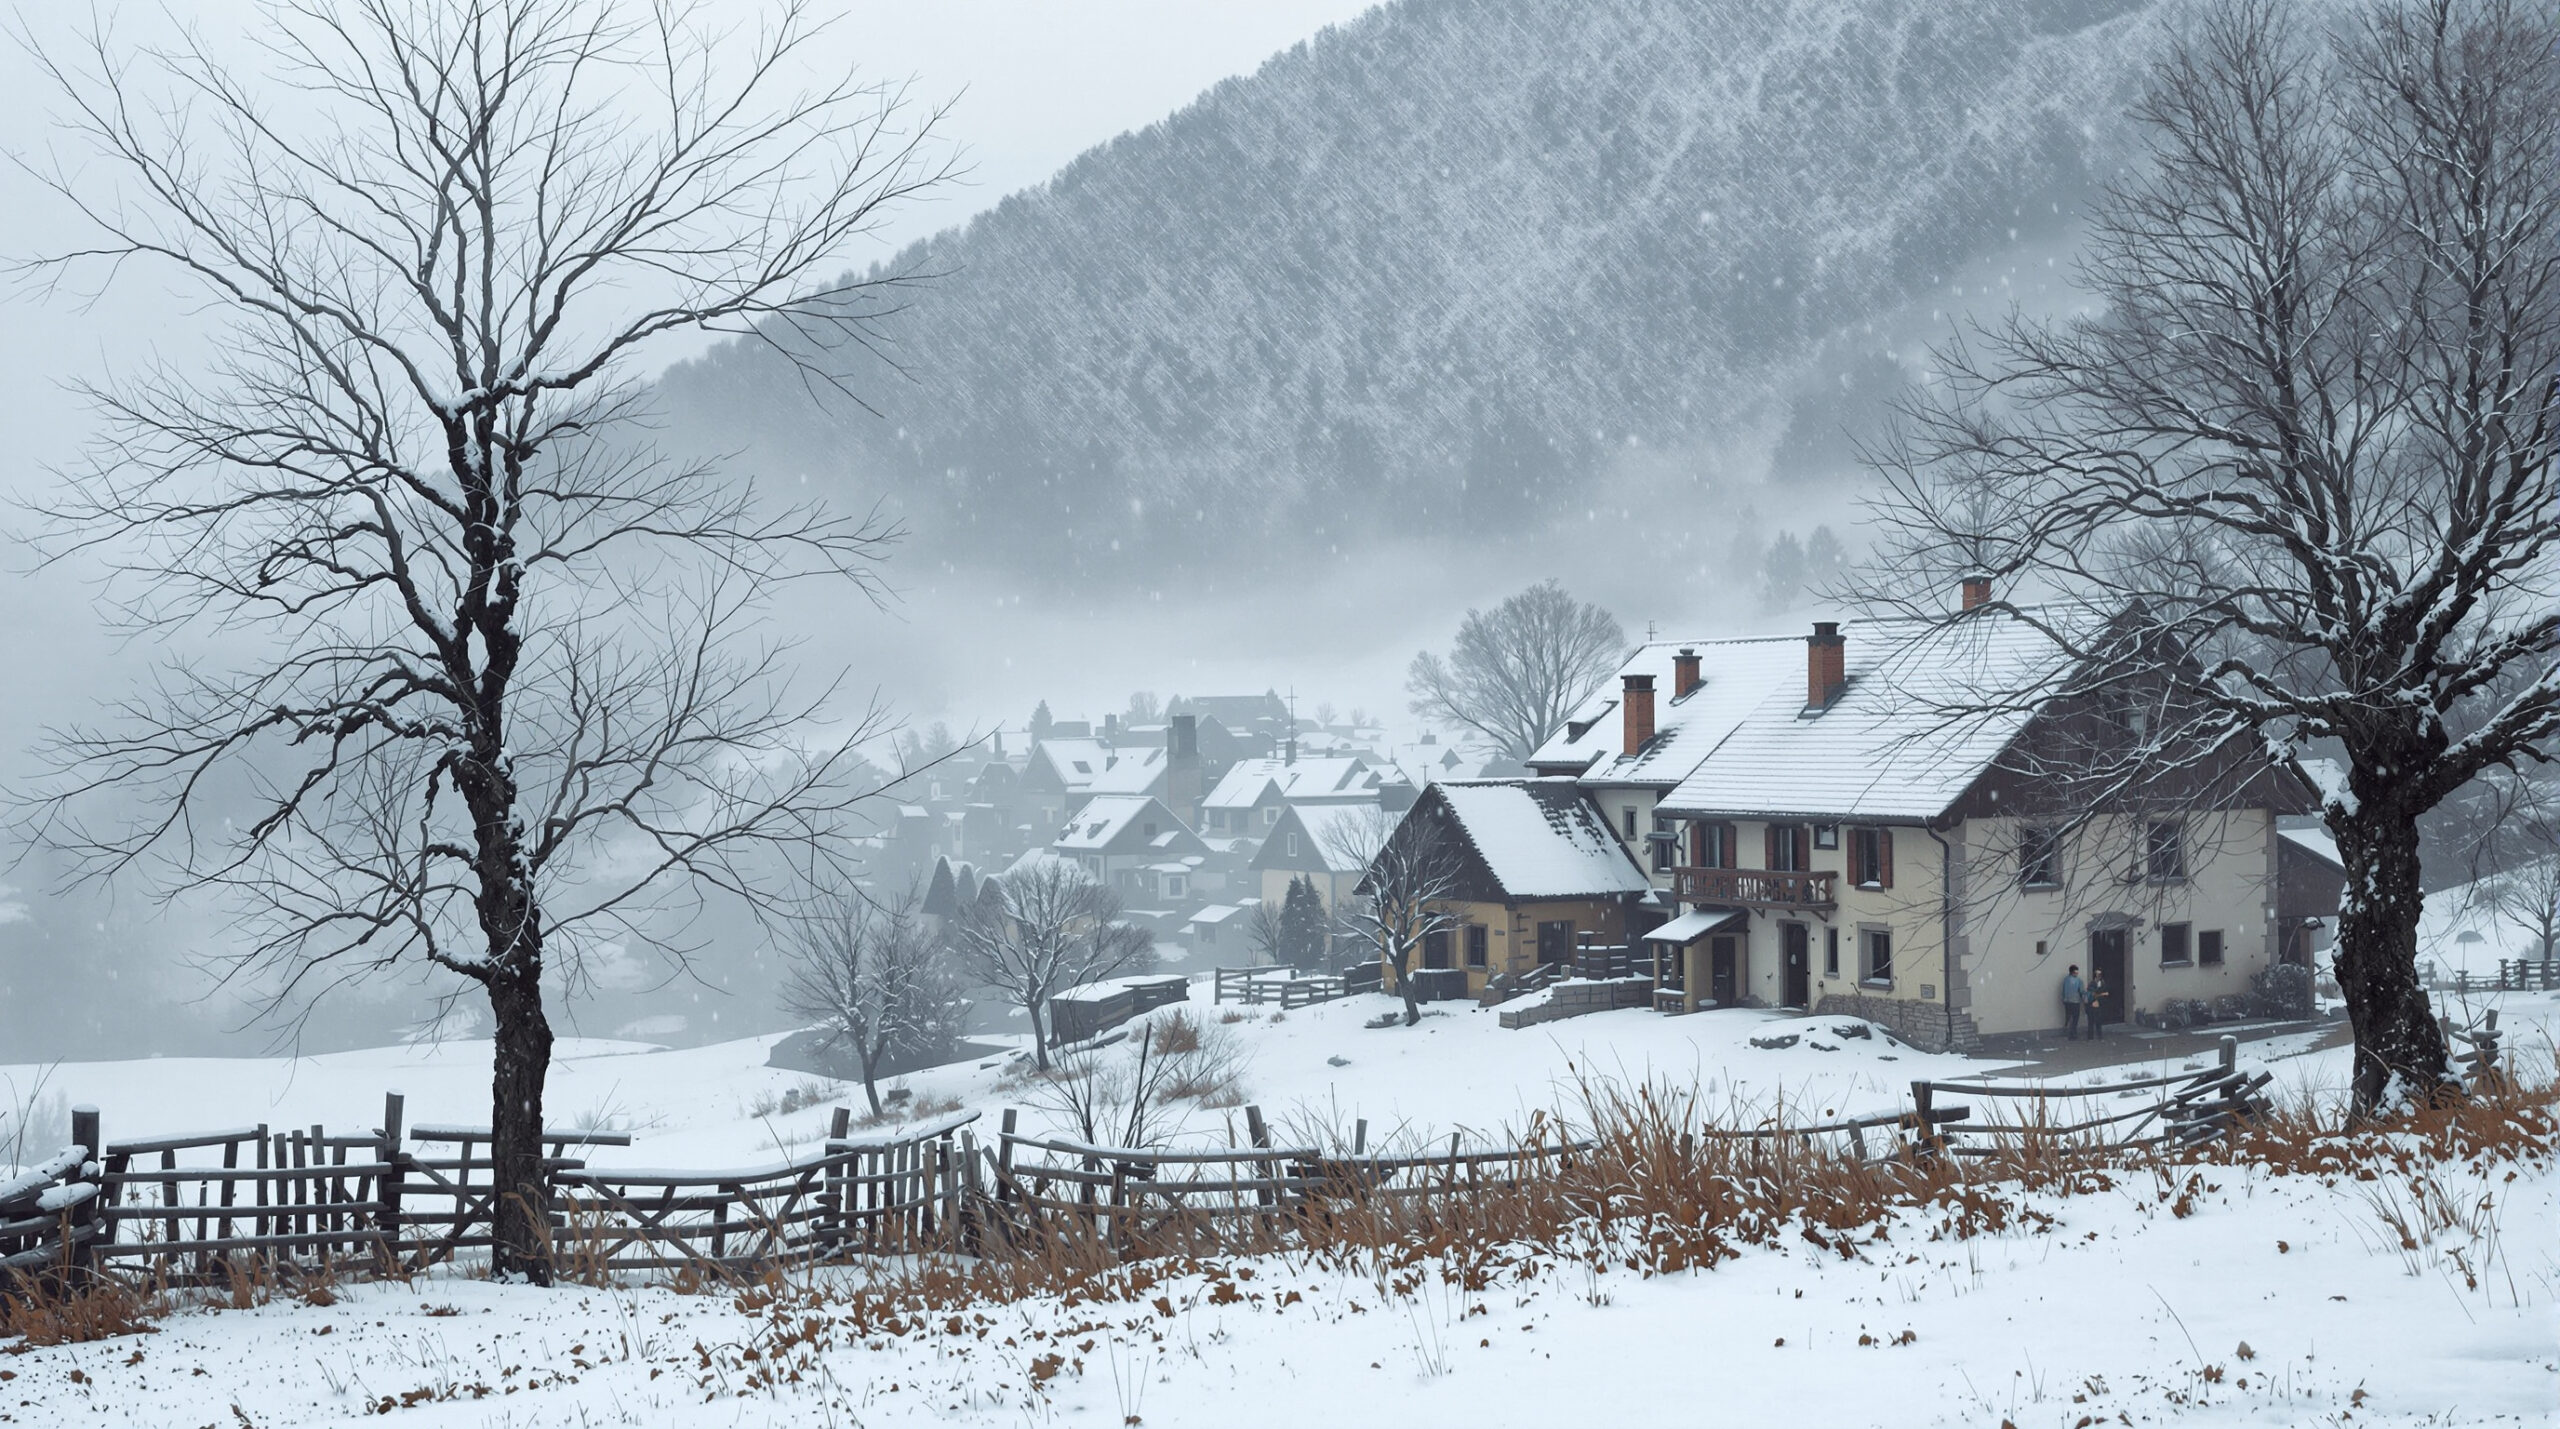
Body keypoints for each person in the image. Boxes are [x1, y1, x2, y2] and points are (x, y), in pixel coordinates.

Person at [2060, 964, 2085, 1041]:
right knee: (2075, 1018)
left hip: (2067, 1001)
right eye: (2076, 972)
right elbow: (2081, 991)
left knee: (2068, 1017)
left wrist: (2064, 999)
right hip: (2075, 1002)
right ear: (2073, 972)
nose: (2077, 973)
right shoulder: (2078, 981)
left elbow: (2063, 991)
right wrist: (2084, 1000)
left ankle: (2067, 1032)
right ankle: (2073, 1034)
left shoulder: (2066, 980)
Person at [2084, 970, 2106, 1040]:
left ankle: (2098, 1036)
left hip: (2098, 1004)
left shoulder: (2102, 983)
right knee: (2092, 1021)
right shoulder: (2092, 984)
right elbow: (2093, 993)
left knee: (2098, 1021)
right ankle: (2091, 1037)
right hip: (2092, 1005)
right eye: (2098, 975)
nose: (2099, 976)